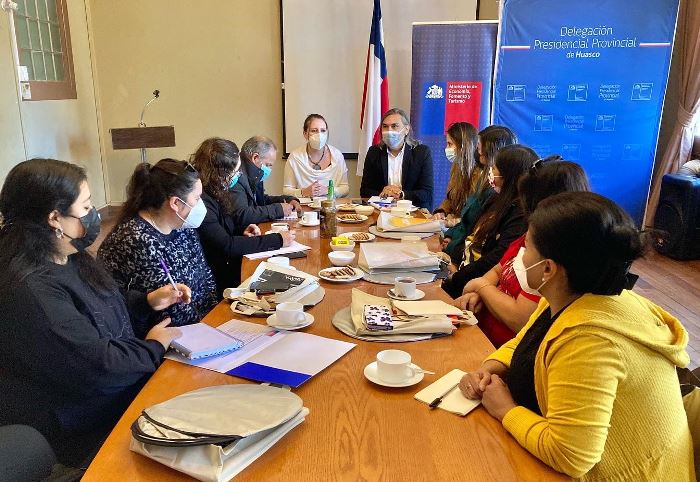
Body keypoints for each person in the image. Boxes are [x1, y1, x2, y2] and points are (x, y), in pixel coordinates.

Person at [459, 192, 694, 481]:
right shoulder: (572, 292)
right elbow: (528, 340)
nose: (520, 253)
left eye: (527, 246)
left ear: (548, 268)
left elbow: (571, 456)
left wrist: (506, 410)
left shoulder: (590, 340)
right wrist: (490, 368)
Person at [0, 159, 185, 466]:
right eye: (86, 208)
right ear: (55, 219)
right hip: (82, 428)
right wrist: (153, 346)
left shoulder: (66, 254)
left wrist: (147, 301)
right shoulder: (30, 290)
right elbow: (97, 366)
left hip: (117, 394)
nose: (94, 216)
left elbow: (99, 305)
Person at [454, 159, 590, 347]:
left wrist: (481, 288)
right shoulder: (531, 234)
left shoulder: (553, 252)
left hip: (501, 347)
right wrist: (481, 294)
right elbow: (498, 270)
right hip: (481, 333)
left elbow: (520, 319)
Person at [98, 159, 218, 335]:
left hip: (201, 327)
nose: (201, 205)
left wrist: (215, 319)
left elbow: (205, 275)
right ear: (175, 203)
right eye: (197, 198)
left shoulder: (182, 226)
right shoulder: (137, 239)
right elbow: (172, 312)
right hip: (162, 339)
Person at [192, 137, 296, 294]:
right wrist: (278, 240)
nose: (237, 176)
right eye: (234, 172)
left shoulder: (217, 192)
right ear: (219, 173)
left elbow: (224, 229)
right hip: (217, 276)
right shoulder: (203, 200)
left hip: (225, 265)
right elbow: (226, 245)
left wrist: (242, 231)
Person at [441, 144, 537, 298]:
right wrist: (453, 261)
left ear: (509, 175)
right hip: (459, 272)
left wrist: (456, 278)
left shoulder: (520, 214)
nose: (490, 173)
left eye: (495, 168)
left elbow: (496, 259)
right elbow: (470, 236)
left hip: (469, 284)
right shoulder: (494, 199)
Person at [442, 125, 517, 264]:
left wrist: (453, 246)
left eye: (480, 147)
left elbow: (475, 232)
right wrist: (450, 235)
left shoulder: (494, 189)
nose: (478, 150)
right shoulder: (484, 179)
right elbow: (464, 215)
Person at [360, 108, 434, 209]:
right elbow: (364, 190)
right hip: (382, 210)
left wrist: (401, 194)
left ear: (406, 129)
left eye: (394, 126)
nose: (389, 131)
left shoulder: (421, 152)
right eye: (385, 127)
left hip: (413, 211)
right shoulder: (374, 152)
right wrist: (384, 192)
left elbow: (427, 193)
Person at [229, 135, 302, 226]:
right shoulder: (236, 176)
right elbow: (241, 214)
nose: (269, 169)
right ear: (255, 157)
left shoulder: (253, 172)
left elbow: (260, 200)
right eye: (267, 165)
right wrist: (278, 210)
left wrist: (288, 199)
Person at [283, 114, 350, 198]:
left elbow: (345, 188)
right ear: (305, 134)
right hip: (304, 208)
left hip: (331, 207)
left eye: (323, 130)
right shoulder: (295, 157)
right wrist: (303, 192)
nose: (319, 135)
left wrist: (329, 190)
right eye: (314, 131)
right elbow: (286, 190)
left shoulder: (337, 155)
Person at [432, 122, 478, 223]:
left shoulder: (479, 174)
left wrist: (452, 222)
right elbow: (450, 198)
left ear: (463, 146)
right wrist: (441, 211)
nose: (446, 148)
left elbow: (474, 215)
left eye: (450, 144)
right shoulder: (456, 166)